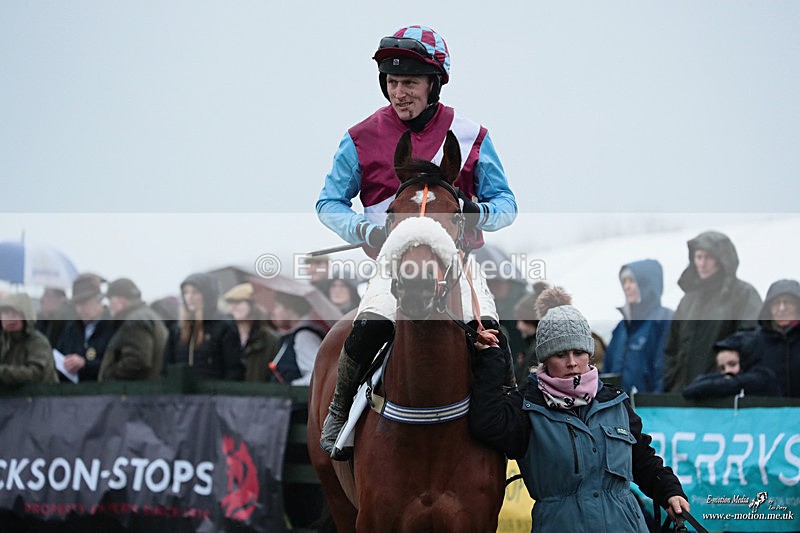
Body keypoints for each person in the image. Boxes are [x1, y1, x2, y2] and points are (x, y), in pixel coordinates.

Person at [315, 25, 517, 458]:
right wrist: (364, 230)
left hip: (456, 267)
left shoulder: (471, 134)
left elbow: (507, 204)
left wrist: (476, 212)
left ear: (434, 84)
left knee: (495, 335)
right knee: (368, 326)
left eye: (409, 82)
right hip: (394, 267)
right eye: (392, 82)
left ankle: (508, 415)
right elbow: (329, 202)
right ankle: (338, 411)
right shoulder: (359, 138)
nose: (399, 92)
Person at [469, 287, 690, 532]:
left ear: (590, 355)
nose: (572, 362)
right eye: (561, 354)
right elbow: (486, 423)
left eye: (579, 352)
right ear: (544, 359)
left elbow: (642, 459)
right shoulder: (526, 406)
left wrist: (669, 490)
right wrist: (490, 360)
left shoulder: (615, 401)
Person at [663, 231, 762, 393]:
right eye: (698, 257)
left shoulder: (743, 294)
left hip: (723, 398)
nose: (702, 264)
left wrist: (726, 380)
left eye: (708, 257)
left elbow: (752, 340)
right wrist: (671, 381)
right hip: (683, 396)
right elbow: (671, 349)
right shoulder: (688, 300)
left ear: (722, 260)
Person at [604, 260, 674, 393]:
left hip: (650, 408)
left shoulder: (664, 320)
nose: (627, 287)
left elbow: (665, 373)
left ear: (647, 284)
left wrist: (656, 406)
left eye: (632, 281)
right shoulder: (622, 327)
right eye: (624, 281)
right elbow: (607, 371)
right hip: (619, 408)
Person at [162, 272, 244, 381]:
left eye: (195, 292)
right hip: (181, 395)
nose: (189, 297)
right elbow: (166, 369)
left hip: (213, 394)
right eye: (186, 292)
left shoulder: (224, 326)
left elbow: (234, 370)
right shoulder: (177, 329)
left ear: (207, 295)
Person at [98, 278, 168, 381]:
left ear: (121, 301)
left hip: (139, 392)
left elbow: (137, 361)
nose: (109, 306)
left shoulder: (134, 321)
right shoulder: (148, 315)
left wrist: (109, 376)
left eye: (110, 301)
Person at [682, 330, 780, 399]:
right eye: (722, 368)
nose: (727, 371)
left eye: (732, 364)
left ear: (745, 360)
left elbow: (733, 384)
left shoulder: (763, 377)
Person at [56, 273, 115, 382]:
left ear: (99, 300)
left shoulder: (113, 327)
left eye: (86, 303)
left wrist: (85, 365)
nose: (81, 309)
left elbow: (115, 366)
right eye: (78, 304)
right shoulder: (71, 329)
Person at [749, 279, 800, 397]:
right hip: (766, 414)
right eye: (776, 303)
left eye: (788, 302)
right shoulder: (754, 342)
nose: (782, 308)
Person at [223, 282, 281, 382]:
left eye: (239, 302)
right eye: (230, 302)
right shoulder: (224, 336)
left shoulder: (270, 340)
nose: (233, 307)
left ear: (252, 305)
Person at [268, 292, 326, 386]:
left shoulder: (304, 337)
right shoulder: (295, 334)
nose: (274, 311)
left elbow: (315, 376)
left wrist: (292, 387)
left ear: (290, 309)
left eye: (277, 306)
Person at [0, 293, 59, 386]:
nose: (10, 318)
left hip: (41, 397)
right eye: (6, 313)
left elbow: (35, 374)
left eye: (15, 313)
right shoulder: (3, 341)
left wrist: (3, 372)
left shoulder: (38, 342)